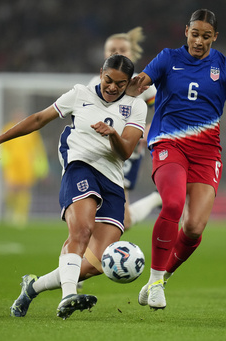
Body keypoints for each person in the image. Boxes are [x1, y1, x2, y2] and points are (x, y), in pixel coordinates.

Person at [0, 54, 147, 319]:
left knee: (96, 263)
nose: (113, 87)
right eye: (109, 80)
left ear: (128, 83)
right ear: (100, 73)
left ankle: (32, 287)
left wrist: (113, 133)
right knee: (81, 230)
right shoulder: (80, 94)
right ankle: (69, 296)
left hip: (113, 182)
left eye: (120, 83)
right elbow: (38, 119)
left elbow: (126, 151)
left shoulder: (136, 107)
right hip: (80, 167)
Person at [129, 9, 226, 310]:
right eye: (195, 34)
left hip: (206, 153)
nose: (199, 41)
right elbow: (145, 79)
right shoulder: (168, 58)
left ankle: (160, 279)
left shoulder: (225, 67)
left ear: (215, 37)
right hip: (169, 144)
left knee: (194, 227)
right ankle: (154, 281)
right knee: (174, 205)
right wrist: (138, 83)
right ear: (186, 32)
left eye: (206, 36)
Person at [89, 27, 161, 230]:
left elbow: (161, 110)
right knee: (118, 219)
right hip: (99, 150)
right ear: (104, 54)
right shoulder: (95, 83)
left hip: (127, 150)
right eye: (112, 49)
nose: (117, 52)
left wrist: (150, 127)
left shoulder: (141, 83)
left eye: (122, 49)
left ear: (132, 54)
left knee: (122, 220)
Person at [0, 109, 49, 227]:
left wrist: (42, 168)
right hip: (12, 166)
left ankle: (21, 216)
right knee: (11, 189)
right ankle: (9, 211)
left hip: (26, 165)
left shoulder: (32, 131)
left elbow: (38, 150)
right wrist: (5, 162)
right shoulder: (7, 129)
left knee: (24, 190)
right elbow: (2, 147)